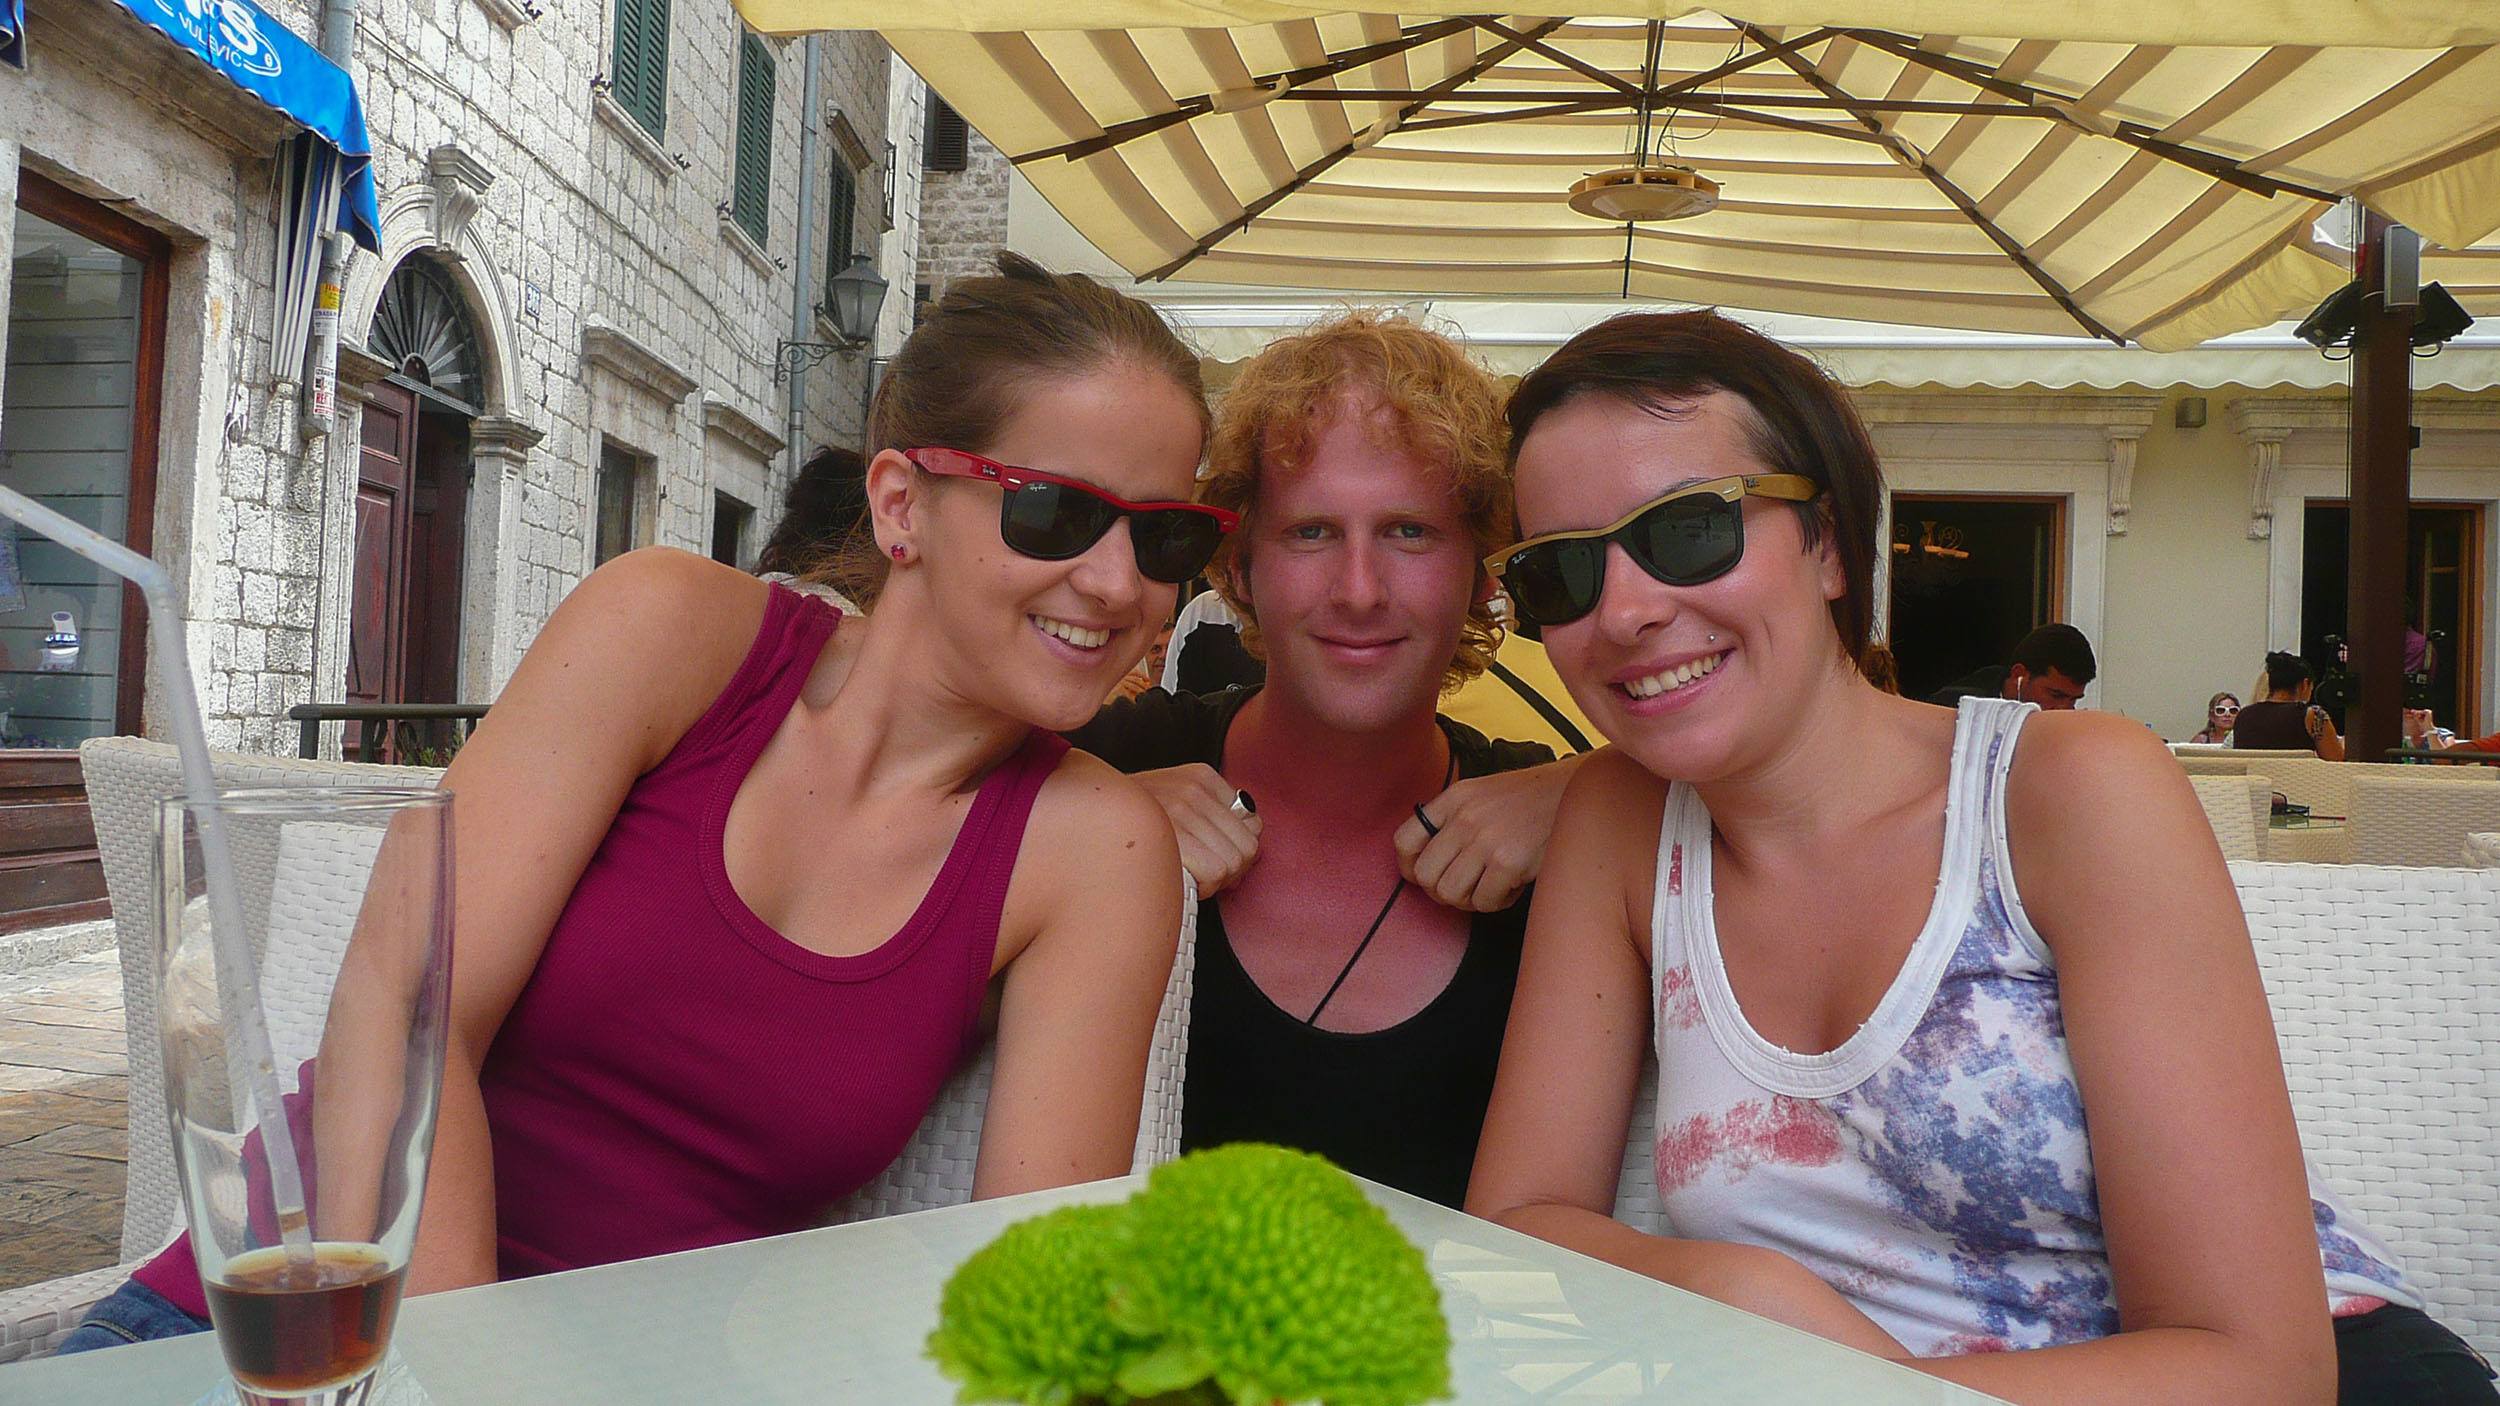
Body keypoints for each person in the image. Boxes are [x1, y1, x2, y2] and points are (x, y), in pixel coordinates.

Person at [61, 254, 1209, 1349]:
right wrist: (468, 1382)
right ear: (902, 504)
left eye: (1164, 537)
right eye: (1054, 512)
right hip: (282, 1329)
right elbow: (404, 1005)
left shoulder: (1098, 853)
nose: (1118, 584)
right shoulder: (672, 631)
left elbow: (1032, 1296)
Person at [1466, 310, 2489, 1403]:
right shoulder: (1621, 826)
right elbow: (1520, 1218)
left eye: (1687, 531)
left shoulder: (2066, 790)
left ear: (1823, 543)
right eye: (1561, 574)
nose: (1621, 610)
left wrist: (1869, 1386)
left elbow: (2259, 1367)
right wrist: (1730, 1288)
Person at [1066, 311, 1582, 1209]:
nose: (1358, 589)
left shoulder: (1559, 826)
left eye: (1409, 532)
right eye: (1310, 532)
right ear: (1236, 568)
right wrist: (1072, 836)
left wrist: (1596, 793)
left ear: (1483, 574)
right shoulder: (1111, 770)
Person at [1925, 622, 2097, 710]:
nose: (2064, 710)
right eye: (2055, 695)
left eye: (2073, 700)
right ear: (2019, 675)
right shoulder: (1955, 709)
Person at [2236, 652, 2346, 760]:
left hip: (2256, 776)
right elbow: (2336, 760)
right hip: (2299, 777)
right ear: (2304, 684)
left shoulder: (2243, 715)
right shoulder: (2313, 715)